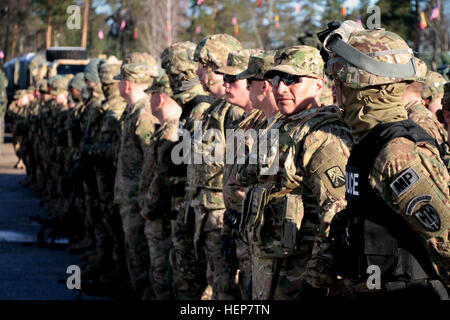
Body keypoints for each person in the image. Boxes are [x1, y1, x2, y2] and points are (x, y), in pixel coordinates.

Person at [318, 21, 450, 299]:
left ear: (364, 90)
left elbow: (445, 242)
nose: (335, 91)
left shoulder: (396, 154)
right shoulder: (370, 142)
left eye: (340, 83)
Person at [240, 45, 353, 300]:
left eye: (292, 80)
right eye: (277, 79)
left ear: (318, 84)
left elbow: (337, 214)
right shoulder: (278, 126)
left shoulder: (324, 136)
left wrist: (316, 282)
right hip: (267, 271)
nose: (280, 88)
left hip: (299, 278)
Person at [191, 34, 245, 299]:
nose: (198, 72)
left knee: (226, 289)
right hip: (209, 213)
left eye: (204, 66)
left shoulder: (234, 111)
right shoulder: (214, 108)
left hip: (223, 214)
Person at [160, 41, 214, 300]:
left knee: (195, 285)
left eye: (174, 75)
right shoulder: (189, 108)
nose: (171, 81)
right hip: (185, 207)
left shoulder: (200, 108)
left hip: (197, 211)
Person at [215, 48, 265, 300]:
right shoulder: (239, 125)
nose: (226, 85)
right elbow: (232, 183)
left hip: (253, 234)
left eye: (232, 79)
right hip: (235, 225)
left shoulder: (265, 125)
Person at [113, 62, 159, 299]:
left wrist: (146, 200)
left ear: (127, 83)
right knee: (133, 255)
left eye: (120, 80)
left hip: (136, 202)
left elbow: (152, 162)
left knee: (141, 259)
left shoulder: (144, 116)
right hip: (128, 198)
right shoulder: (133, 111)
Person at [138, 75, 179, 299]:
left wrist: (149, 206)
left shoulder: (171, 132)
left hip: (161, 219)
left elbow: (163, 178)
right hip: (157, 217)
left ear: (160, 98)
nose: (149, 101)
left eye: (152, 96)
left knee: (163, 276)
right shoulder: (164, 129)